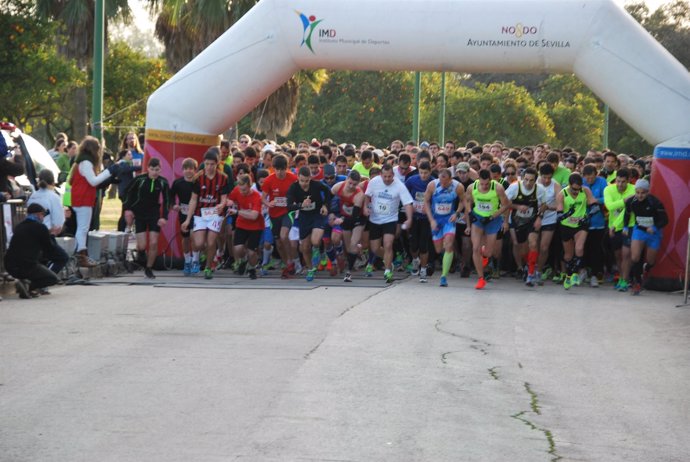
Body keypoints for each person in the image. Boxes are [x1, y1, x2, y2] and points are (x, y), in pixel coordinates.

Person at [69, 136, 119, 267]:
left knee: (82, 228)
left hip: (81, 198)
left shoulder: (81, 161)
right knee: (83, 228)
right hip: (83, 199)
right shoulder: (86, 163)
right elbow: (93, 181)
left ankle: (79, 254)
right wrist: (109, 171)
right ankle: (81, 256)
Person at [181, 149, 231, 279]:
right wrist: (187, 220)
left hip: (215, 213)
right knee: (198, 243)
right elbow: (193, 199)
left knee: (211, 242)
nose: (209, 167)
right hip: (200, 213)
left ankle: (208, 267)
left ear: (217, 163)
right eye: (207, 164)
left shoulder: (223, 178)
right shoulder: (198, 177)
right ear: (204, 163)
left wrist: (222, 204)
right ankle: (196, 257)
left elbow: (224, 197)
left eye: (212, 164)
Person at [363, 164, 413, 283]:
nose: (387, 179)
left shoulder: (399, 186)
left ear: (393, 175)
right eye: (384, 176)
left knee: (388, 245)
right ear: (381, 175)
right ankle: (389, 259)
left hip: (390, 219)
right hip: (375, 219)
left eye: (389, 176)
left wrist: (409, 218)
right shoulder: (374, 182)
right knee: (375, 248)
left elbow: (407, 203)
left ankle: (387, 270)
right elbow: (366, 195)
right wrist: (365, 207)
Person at [123, 158, 170, 279]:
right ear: (148, 168)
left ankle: (149, 268)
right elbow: (127, 192)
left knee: (154, 242)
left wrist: (164, 217)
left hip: (154, 214)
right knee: (142, 246)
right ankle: (141, 256)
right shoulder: (140, 179)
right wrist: (128, 209)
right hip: (140, 214)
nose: (154, 172)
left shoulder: (163, 182)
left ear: (160, 169)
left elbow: (167, 201)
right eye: (152, 169)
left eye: (157, 170)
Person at [464, 169, 511, 290]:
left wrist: (493, 216)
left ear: (491, 180)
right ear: (478, 180)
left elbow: (506, 205)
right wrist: (470, 213)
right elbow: (467, 201)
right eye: (482, 184)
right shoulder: (471, 187)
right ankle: (481, 278)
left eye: (487, 184)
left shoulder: (498, 188)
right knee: (475, 248)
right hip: (478, 218)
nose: (484, 186)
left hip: (493, 220)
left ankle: (485, 257)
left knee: (489, 253)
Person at [286, 166, 333, 281]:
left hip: (317, 215)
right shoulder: (293, 187)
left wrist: (325, 206)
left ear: (310, 178)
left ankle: (318, 250)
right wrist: (301, 205)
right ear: (298, 178)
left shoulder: (316, 185)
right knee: (305, 247)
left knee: (315, 240)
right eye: (302, 180)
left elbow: (328, 192)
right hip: (304, 217)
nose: (304, 183)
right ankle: (311, 269)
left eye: (307, 181)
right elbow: (289, 206)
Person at [4, 204, 60, 298]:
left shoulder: (19, 226)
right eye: (43, 215)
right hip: (27, 265)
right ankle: (29, 286)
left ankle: (24, 283)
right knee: (52, 278)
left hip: (10, 265)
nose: (43, 217)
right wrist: (52, 235)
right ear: (38, 215)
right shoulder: (41, 227)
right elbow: (49, 249)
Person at [623, 179, 668, 295]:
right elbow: (627, 214)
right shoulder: (631, 201)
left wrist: (655, 227)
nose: (640, 195)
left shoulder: (655, 202)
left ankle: (646, 268)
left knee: (651, 260)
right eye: (637, 192)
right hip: (639, 230)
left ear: (648, 192)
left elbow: (665, 220)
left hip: (654, 232)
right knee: (635, 257)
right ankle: (636, 283)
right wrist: (625, 227)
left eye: (643, 193)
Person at [556, 173, 599, 290]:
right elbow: (559, 215)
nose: (576, 192)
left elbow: (595, 206)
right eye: (574, 189)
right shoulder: (562, 194)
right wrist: (568, 215)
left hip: (581, 224)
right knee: (568, 255)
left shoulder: (585, 190)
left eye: (578, 189)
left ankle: (575, 274)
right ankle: (569, 275)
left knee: (579, 248)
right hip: (566, 226)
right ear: (569, 185)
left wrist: (588, 215)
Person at [424, 168, 464, 287]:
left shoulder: (458, 186)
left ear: (450, 179)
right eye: (441, 181)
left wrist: (456, 213)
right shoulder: (432, 185)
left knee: (449, 243)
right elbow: (425, 202)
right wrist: (431, 220)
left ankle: (443, 276)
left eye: (445, 182)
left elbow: (463, 200)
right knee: (438, 249)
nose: (443, 184)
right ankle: (448, 257)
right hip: (436, 220)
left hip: (448, 220)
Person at [505, 167, 545, 286]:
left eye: (531, 180)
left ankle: (531, 274)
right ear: (522, 178)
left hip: (531, 220)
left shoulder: (540, 189)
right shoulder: (514, 187)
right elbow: (505, 203)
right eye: (526, 180)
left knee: (533, 243)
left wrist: (539, 218)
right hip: (517, 221)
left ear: (535, 181)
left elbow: (543, 205)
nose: (528, 183)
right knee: (522, 249)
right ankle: (527, 267)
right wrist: (517, 207)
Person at [26, 169, 69, 277]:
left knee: (39, 260)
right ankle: (43, 280)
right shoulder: (53, 196)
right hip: (46, 233)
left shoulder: (33, 196)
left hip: (30, 233)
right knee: (61, 257)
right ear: (53, 182)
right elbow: (58, 222)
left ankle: (33, 280)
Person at [262, 154, 299, 278]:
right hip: (274, 214)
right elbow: (263, 198)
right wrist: (269, 203)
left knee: (284, 235)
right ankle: (287, 263)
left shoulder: (293, 178)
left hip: (288, 212)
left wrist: (294, 202)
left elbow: (299, 194)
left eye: (282, 169)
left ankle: (291, 262)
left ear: (286, 168)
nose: (279, 172)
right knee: (278, 243)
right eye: (277, 169)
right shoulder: (269, 180)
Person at [603, 168, 636, 291]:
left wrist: (615, 225)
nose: (620, 184)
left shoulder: (634, 189)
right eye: (618, 181)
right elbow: (610, 206)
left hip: (630, 225)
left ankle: (625, 280)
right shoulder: (608, 189)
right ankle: (622, 277)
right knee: (618, 256)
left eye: (623, 182)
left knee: (626, 254)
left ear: (628, 181)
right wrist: (625, 201)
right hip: (613, 228)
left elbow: (628, 211)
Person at [228, 174, 264, 280]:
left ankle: (252, 268)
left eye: (244, 190)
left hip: (256, 226)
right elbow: (229, 199)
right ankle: (243, 261)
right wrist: (228, 203)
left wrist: (237, 212)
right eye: (240, 189)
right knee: (238, 248)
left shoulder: (256, 196)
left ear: (250, 186)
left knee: (251, 252)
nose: (242, 192)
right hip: (242, 224)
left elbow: (254, 216)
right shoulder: (236, 190)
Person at [405, 161, 434, 281]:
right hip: (414, 216)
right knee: (413, 244)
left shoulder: (433, 182)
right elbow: (404, 194)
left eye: (426, 173)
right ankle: (415, 260)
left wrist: (429, 208)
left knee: (423, 245)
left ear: (430, 172)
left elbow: (437, 198)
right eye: (421, 173)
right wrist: (410, 206)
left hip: (426, 218)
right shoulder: (411, 180)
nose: (423, 175)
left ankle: (423, 270)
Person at [170, 158, 197, 275]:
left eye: (191, 169)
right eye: (186, 169)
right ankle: (187, 261)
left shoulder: (198, 183)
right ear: (182, 170)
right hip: (183, 213)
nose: (188, 171)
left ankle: (195, 260)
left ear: (195, 170)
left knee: (194, 236)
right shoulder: (178, 183)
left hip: (197, 214)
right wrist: (174, 206)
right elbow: (170, 197)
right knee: (185, 238)